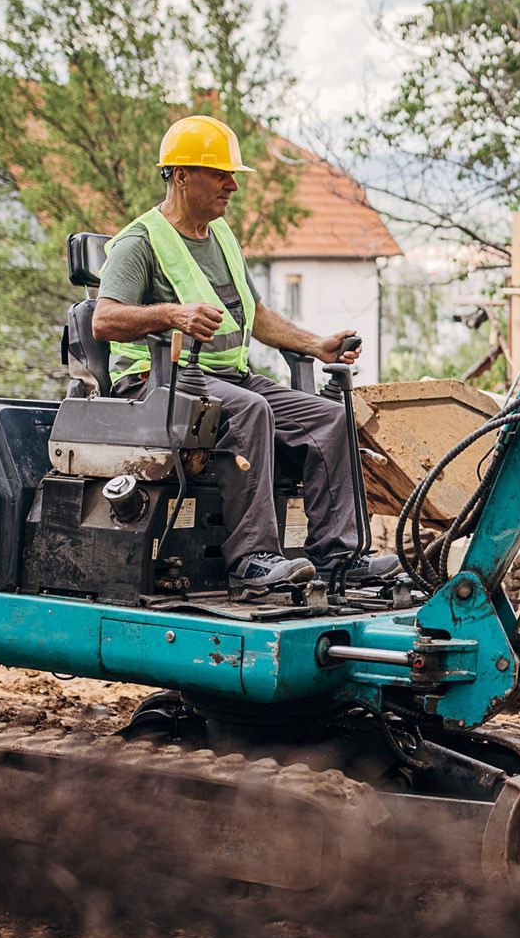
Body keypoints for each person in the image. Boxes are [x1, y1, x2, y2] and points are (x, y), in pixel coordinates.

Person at [92, 114, 400, 595]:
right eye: (220, 174)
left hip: (225, 381)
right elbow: (103, 320)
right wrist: (174, 315)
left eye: (231, 175)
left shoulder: (221, 237)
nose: (232, 185)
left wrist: (315, 345)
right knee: (251, 411)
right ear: (181, 175)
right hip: (154, 385)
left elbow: (254, 314)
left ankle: (339, 556)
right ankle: (253, 561)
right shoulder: (139, 242)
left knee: (330, 419)